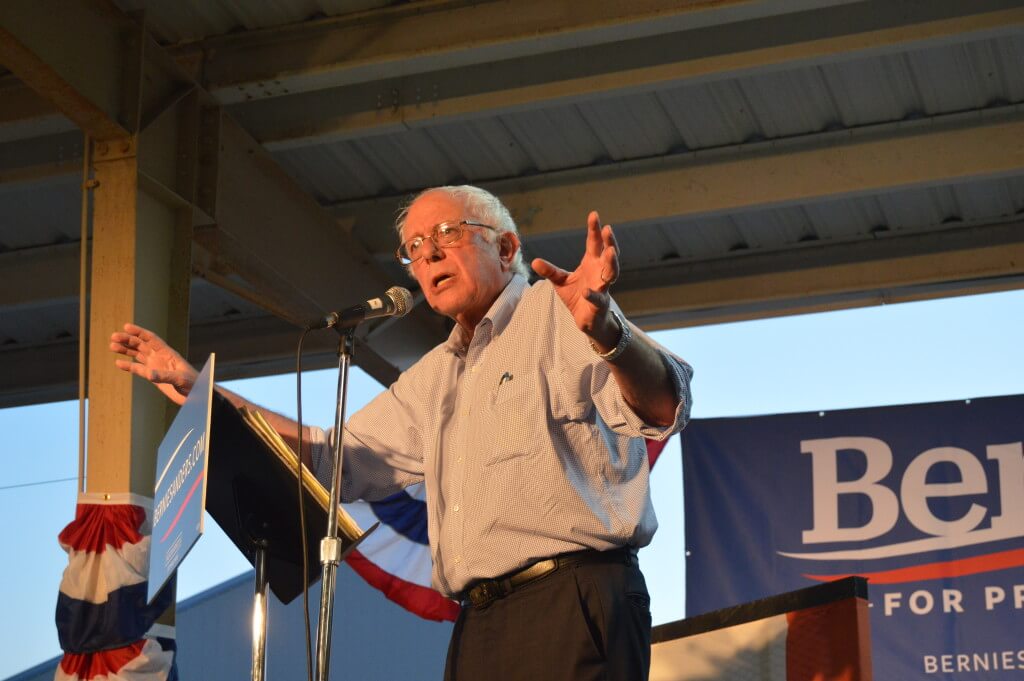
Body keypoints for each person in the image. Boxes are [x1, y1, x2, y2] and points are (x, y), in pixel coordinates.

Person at [111, 185, 693, 680]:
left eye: (447, 232)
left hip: (569, 601)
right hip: (480, 622)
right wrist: (201, 391)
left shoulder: (556, 311)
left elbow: (666, 403)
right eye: (414, 247)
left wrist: (609, 330)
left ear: (507, 247)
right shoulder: (436, 374)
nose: (429, 252)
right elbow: (332, 457)